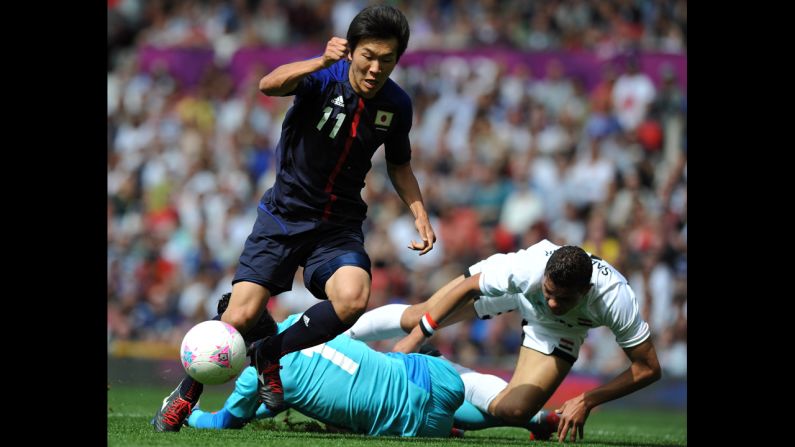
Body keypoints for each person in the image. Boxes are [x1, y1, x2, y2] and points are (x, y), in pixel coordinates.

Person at [153, 5, 436, 432]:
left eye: (387, 59)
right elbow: (269, 84)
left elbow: (399, 164)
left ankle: (270, 352)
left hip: (337, 226)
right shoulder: (323, 77)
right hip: (283, 217)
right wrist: (321, 60)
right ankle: (186, 394)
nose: (376, 68)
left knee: (354, 297)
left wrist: (420, 214)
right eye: (368, 56)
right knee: (240, 316)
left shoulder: (397, 104)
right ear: (351, 50)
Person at [349, 239, 661, 443]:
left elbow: (648, 367)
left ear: (586, 290)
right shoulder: (527, 270)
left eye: (563, 298)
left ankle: (437, 365)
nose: (552, 303)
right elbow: (469, 288)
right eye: (549, 292)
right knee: (420, 314)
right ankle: (339, 338)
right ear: (545, 277)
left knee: (514, 412)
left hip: (561, 331)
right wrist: (415, 338)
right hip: (517, 293)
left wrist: (587, 399)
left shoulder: (615, 298)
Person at [186, 311, 561, 439]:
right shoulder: (301, 322)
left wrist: (190, 412)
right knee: (423, 394)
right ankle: (534, 417)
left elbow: (222, 423)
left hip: (415, 423)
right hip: (432, 373)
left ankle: (521, 418)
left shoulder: (255, 378)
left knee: (414, 414)